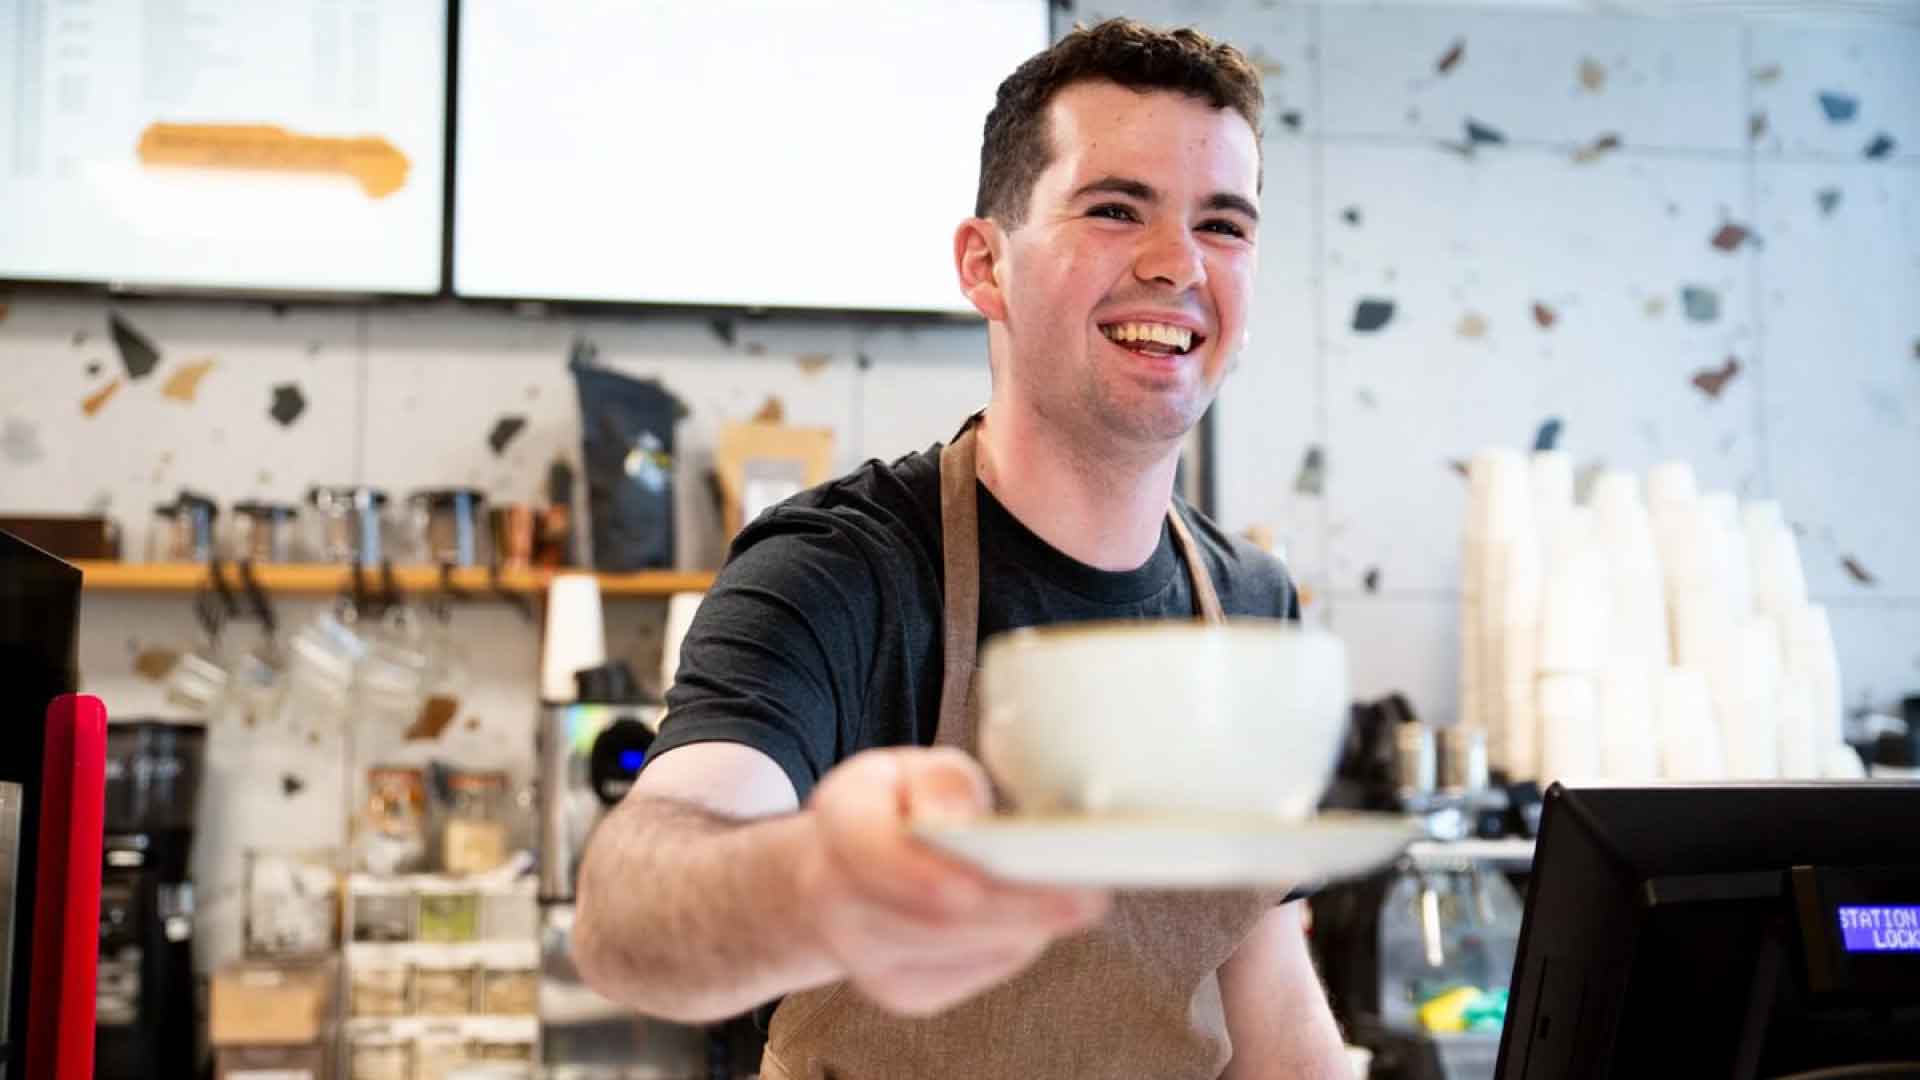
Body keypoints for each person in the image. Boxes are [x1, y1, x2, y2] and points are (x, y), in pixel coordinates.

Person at [573, 17, 1350, 1079]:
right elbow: (628, 912)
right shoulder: (841, 574)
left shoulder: (1250, 605)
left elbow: (1268, 992)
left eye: (1223, 225)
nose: (1177, 265)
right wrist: (821, 882)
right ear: (986, 266)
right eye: (1116, 209)